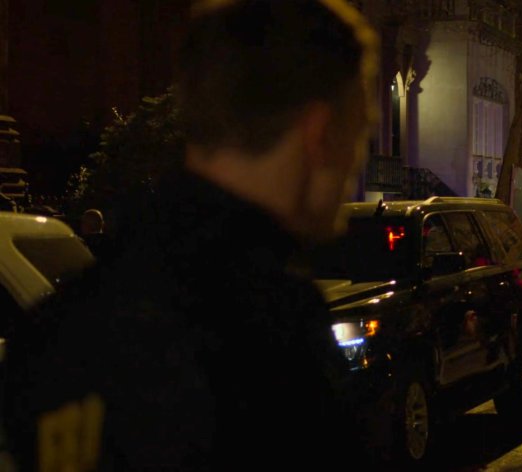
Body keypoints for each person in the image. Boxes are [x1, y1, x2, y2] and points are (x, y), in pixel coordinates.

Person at [1, 1, 379, 470]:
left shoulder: (51, 332)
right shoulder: (270, 328)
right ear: (318, 132)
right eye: (360, 133)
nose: (354, 166)